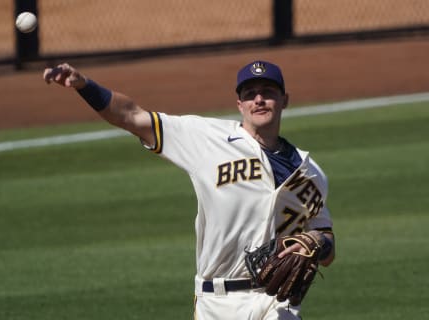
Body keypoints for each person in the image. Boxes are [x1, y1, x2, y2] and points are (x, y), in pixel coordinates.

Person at [43, 60, 335, 320]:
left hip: (276, 302)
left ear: (285, 100)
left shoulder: (311, 173)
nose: (259, 100)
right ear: (239, 104)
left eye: (268, 92)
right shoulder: (206, 137)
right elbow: (131, 116)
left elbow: (326, 238)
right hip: (216, 303)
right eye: (250, 94)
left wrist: (318, 243)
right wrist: (84, 85)